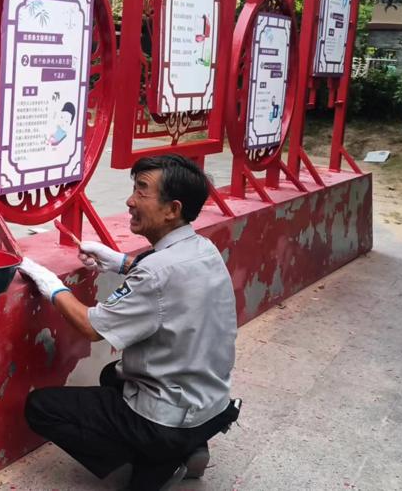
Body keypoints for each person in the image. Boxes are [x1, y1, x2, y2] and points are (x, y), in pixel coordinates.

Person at [17, 154, 241, 491]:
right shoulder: (203, 249)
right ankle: (189, 444)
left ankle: (157, 461)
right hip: (211, 403)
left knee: (41, 408)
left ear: (172, 209)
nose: (130, 201)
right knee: (113, 375)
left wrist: (51, 285)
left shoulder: (155, 272)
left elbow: (92, 327)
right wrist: (119, 262)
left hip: (168, 418)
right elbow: (169, 281)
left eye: (142, 191)